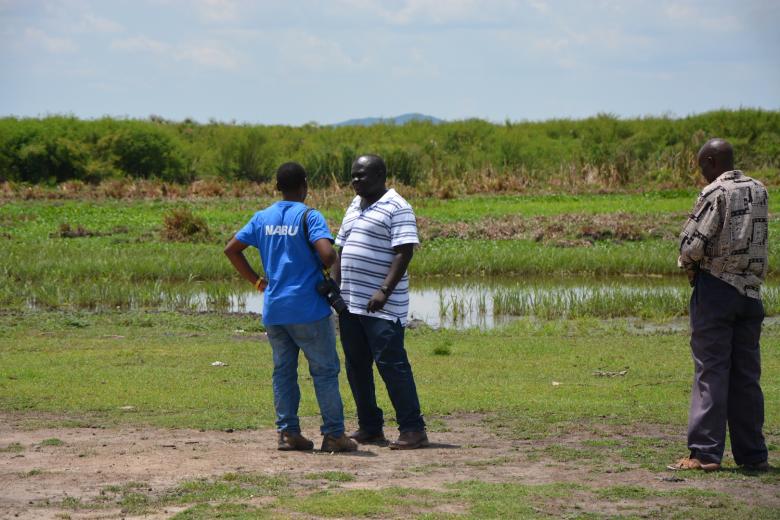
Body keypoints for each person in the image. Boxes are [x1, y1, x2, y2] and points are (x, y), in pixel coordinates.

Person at [224, 162, 357, 453]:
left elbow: (231, 249)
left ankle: (288, 433)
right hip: (308, 309)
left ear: (277, 187)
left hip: (275, 310)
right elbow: (327, 254)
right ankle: (334, 434)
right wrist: (327, 260)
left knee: (283, 372)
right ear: (305, 186)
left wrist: (258, 282)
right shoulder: (309, 216)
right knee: (324, 371)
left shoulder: (262, 217)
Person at [669, 138, 770, 472]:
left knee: (711, 371)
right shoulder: (760, 190)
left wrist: (687, 263)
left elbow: (692, 245)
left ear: (711, 162)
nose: (702, 175)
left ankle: (704, 453)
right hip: (751, 294)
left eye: (702, 167)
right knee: (746, 376)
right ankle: (753, 455)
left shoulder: (715, 193)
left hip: (716, 290)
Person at [332, 154, 428, 450]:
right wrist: (335, 288)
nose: (355, 181)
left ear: (380, 176)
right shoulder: (354, 204)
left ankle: (413, 429)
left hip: (382, 307)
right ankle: (370, 427)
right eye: (353, 175)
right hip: (351, 305)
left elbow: (404, 252)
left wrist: (384, 290)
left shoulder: (397, 206)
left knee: (392, 366)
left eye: (362, 175)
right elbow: (341, 248)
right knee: (356, 367)